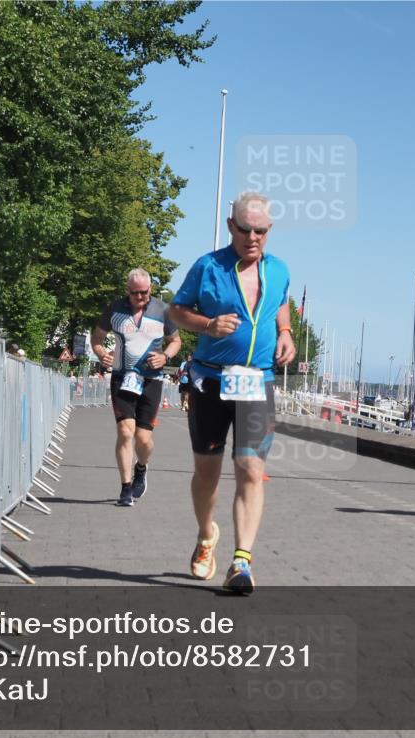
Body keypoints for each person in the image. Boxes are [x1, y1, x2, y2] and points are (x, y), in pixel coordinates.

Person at [169, 191, 295, 594]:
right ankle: (207, 535)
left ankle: (242, 562)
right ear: (231, 227)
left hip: (257, 382)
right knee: (207, 475)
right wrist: (206, 326)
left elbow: (280, 304)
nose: (253, 237)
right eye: (245, 230)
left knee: (251, 469)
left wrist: (287, 333)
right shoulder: (207, 267)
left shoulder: (279, 270)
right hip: (210, 380)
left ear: (269, 230)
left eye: (261, 231)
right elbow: (176, 311)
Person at [92, 268, 182, 507]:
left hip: (151, 380)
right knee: (124, 431)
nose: (140, 297)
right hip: (122, 377)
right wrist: (101, 353)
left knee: (143, 439)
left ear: (150, 289)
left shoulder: (163, 310)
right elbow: (97, 338)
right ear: (127, 291)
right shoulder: (114, 309)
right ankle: (125, 487)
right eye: (135, 293)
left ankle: (141, 467)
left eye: (144, 292)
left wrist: (164, 357)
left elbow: (176, 341)